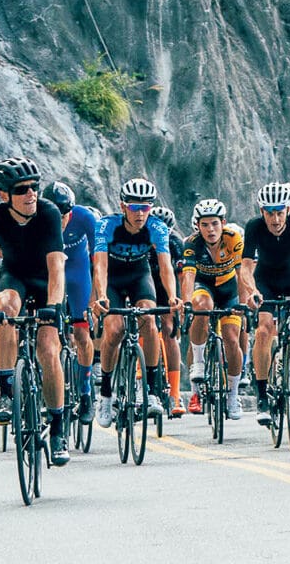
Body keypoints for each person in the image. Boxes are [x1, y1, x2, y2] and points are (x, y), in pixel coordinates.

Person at [0, 156, 71, 466]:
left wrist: (54, 307)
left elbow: (57, 266)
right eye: (22, 189)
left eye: (34, 187)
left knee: (48, 348)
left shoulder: (49, 212)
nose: (31, 194)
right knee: (4, 307)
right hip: (15, 276)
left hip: (46, 281)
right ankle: (6, 391)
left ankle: (57, 428)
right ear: (4, 195)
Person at [91, 179, 178, 425]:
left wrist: (172, 295)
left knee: (149, 320)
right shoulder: (107, 225)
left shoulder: (156, 227)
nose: (140, 213)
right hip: (113, 279)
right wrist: (101, 295)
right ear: (123, 206)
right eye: (134, 207)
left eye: (145, 207)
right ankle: (105, 394)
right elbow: (100, 265)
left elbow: (165, 266)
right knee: (114, 330)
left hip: (139, 276)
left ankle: (150, 390)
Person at [242, 183, 290, 424]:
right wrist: (252, 290)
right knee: (263, 330)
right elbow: (246, 266)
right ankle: (262, 395)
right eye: (270, 213)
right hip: (266, 281)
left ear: (288, 210)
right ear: (262, 212)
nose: (275, 219)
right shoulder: (254, 226)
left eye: (280, 213)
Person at [180, 199, 250, 418]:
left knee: (231, 338)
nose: (210, 229)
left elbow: (242, 274)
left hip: (229, 290)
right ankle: (199, 364)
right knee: (202, 306)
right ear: (197, 226)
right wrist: (187, 304)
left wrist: (243, 304)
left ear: (223, 223)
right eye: (205, 225)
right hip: (204, 286)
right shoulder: (191, 243)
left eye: (214, 223)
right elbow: (188, 276)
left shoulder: (234, 238)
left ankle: (233, 395)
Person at [46, 181, 102, 425]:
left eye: (66, 215)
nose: (63, 220)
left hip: (78, 272)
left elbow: (99, 261)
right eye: (58, 216)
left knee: (81, 333)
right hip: (50, 272)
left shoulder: (85, 217)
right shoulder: (39, 217)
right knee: (47, 334)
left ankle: (86, 392)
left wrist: (94, 299)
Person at [150, 204, 188, 416]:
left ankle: (174, 392)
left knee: (169, 330)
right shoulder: (141, 240)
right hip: (145, 286)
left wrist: (181, 304)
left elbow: (182, 277)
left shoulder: (175, 243)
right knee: (141, 323)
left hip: (167, 289)